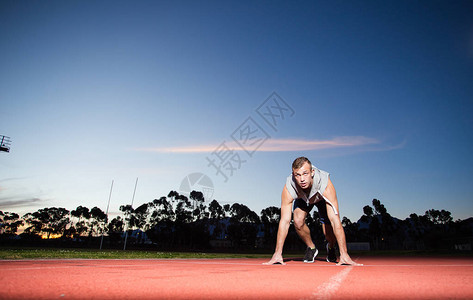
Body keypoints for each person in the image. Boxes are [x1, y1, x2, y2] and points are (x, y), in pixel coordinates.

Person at [264, 157, 361, 266]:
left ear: (312, 172)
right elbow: (284, 221)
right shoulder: (289, 187)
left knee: (328, 233)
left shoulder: (325, 184)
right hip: (303, 198)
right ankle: (311, 247)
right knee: (297, 221)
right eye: (298, 175)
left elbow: (335, 220)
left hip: (321, 198)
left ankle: (331, 247)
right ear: (293, 174)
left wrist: (344, 254)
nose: (302, 179)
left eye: (305, 174)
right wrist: (277, 253)